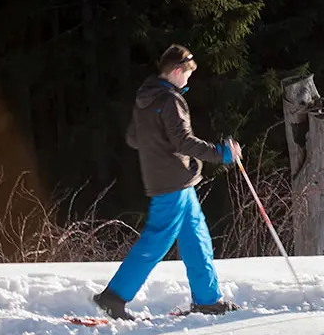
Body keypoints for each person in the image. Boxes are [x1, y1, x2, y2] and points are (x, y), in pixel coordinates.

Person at [93, 45, 241, 319]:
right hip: (172, 182)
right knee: (156, 241)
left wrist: (156, 146)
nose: (188, 81)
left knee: (197, 239)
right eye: (186, 75)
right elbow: (183, 141)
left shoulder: (145, 98)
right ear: (175, 71)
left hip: (176, 181)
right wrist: (221, 153)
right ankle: (114, 296)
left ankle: (207, 299)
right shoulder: (170, 100)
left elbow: (133, 138)